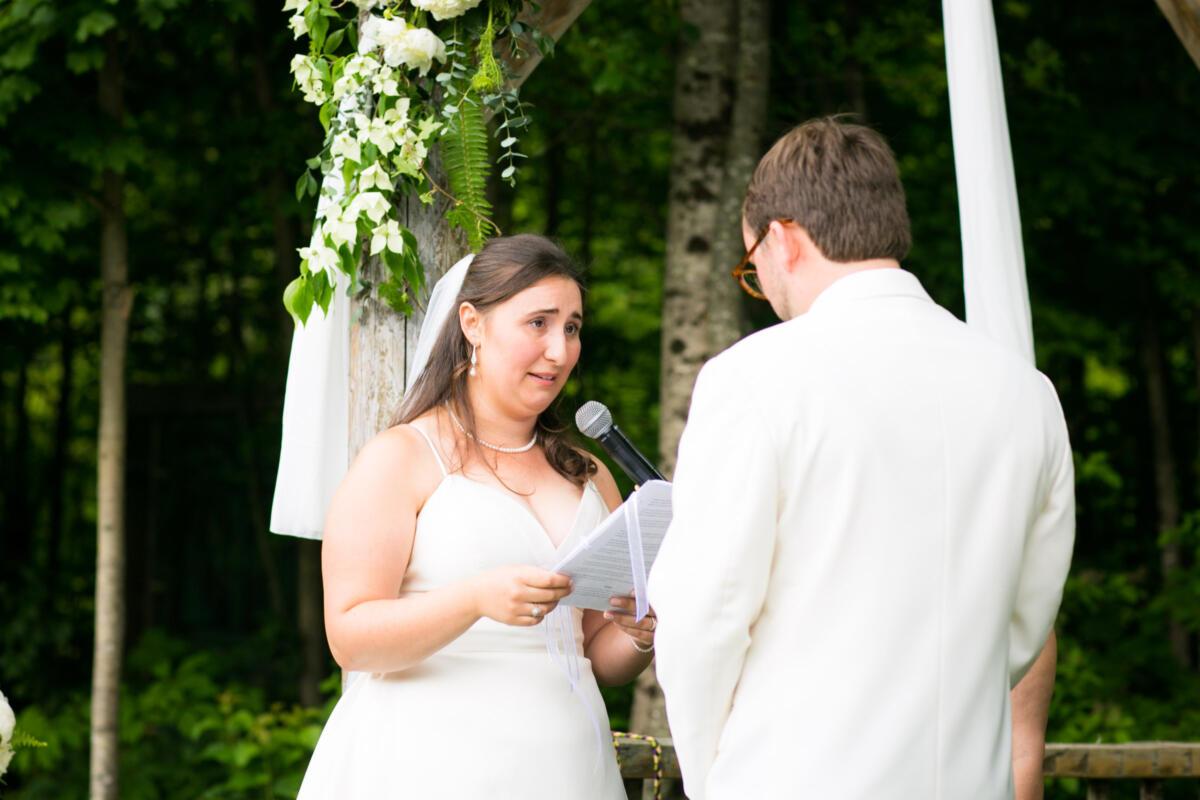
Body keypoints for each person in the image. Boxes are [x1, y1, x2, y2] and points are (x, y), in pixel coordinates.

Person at [648, 118, 1075, 799]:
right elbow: (1022, 623)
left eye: (750, 266)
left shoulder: (752, 377)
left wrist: (715, 777)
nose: (757, 283)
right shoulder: (1027, 393)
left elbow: (704, 617)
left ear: (783, 239)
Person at [297, 235, 656, 799]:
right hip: (430, 761)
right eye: (538, 323)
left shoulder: (589, 473)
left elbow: (594, 649)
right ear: (472, 324)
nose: (560, 351)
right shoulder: (402, 458)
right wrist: (472, 600)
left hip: (566, 767)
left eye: (572, 328)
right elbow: (351, 639)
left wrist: (637, 635)